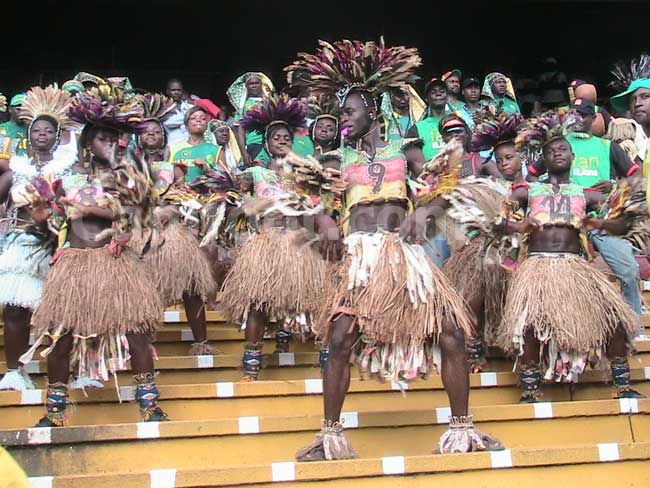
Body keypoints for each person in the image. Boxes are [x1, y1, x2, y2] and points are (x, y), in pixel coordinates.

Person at [287, 38, 502, 461]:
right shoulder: (335, 158)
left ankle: (463, 429)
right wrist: (324, 220)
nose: (343, 118)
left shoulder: (405, 148)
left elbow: (445, 184)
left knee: (451, 333)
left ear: (371, 109)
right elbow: (305, 200)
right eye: (341, 113)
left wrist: (426, 212)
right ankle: (329, 438)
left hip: (404, 256)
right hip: (359, 259)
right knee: (340, 338)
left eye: (349, 111)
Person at [26, 89, 167, 426]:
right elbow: (54, 227)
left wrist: (94, 211)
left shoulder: (125, 176)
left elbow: (138, 216)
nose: (110, 144)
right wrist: (42, 218)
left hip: (114, 263)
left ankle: (150, 406)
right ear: (88, 143)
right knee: (62, 337)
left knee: (135, 332)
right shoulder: (66, 178)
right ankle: (55, 412)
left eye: (114, 139)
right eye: (103, 138)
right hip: (74, 263)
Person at [497, 114, 642, 403]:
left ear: (573, 156)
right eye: (551, 151)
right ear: (543, 159)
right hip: (537, 267)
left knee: (614, 319)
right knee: (527, 324)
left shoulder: (586, 194)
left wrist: (600, 223)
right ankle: (530, 390)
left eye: (563, 149)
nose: (558, 154)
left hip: (575, 268)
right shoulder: (527, 191)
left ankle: (622, 385)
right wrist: (518, 226)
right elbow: (495, 222)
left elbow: (624, 224)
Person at [220, 95, 328, 381]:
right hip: (265, 244)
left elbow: (318, 207)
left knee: (311, 299)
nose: (282, 141)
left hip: (298, 244)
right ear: (266, 144)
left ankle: (324, 361)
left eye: (286, 138)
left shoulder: (304, 173)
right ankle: (251, 365)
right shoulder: (254, 173)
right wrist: (250, 206)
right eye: (276, 137)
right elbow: (234, 203)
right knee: (258, 303)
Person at [528, 101, 643, 315]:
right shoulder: (559, 144)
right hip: (564, 219)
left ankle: (634, 324)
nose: (578, 119)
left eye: (583, 115)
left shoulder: (607, 146)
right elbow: (532, 175)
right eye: (574, 114)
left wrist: (616, 186)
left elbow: (636, 175)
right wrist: (546, 190)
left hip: (599, 220)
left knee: (628, 270)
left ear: (593, 118)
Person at [0, 86, 76, 390]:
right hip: (21, 245)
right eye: (36, 130)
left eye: (48, 130)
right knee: (15, 308)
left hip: (58, 245)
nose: (42, 134)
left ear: (57, 137)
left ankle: (67, 374)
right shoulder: (16, 168)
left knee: (63, 313)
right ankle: (16, 372)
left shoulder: (68, 169)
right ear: (28, 135)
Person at [135, 93, 218, 356]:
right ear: (138, 137)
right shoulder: (128, 166)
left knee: (191, 285)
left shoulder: (174, 166)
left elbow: (186, 195)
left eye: (156, 131)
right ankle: (142, 341)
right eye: (146, 131)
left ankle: (201, 342)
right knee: (141, 285)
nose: (151, 135)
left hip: (173, 233)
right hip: (140, 232)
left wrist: (171, 208)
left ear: (164, 137)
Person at [227, 72, 274, 162]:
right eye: (251, 84)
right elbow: (239, 129)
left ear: (261, 84)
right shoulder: (242, 106)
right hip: (253, 143)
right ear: (246, 86)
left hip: (271, 143)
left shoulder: (270, 102)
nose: (254, 86)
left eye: (257, 83)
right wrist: (243, 152)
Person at [169, 106, 220, 182]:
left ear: (207, 125)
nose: (198, 120)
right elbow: (167, 177)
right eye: (193, 118)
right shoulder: (174, 149)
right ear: (186, 125)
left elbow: (226, 181)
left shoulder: (216, 150)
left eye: (203, 118)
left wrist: (207, 170)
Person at [406, 77, 448, 160]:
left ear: (447, 96)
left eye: (442, 91)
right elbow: (411, 159)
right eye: (433, 92)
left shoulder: (457, 122)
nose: (438, 94)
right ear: (426, 99)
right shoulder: (417, 128)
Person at [163, 78, 194, 146]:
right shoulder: (162, 108)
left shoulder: (190, 106)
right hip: (173, 145)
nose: (176, 92)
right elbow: (169, 123)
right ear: (168, 91)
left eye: (179, 90)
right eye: (173, 90)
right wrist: (189, 116)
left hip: (191, 144)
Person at [0, 94, 28, 159]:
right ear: (10, 109)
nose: (22, 112)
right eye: (18, 109)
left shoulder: (33, 130)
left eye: (25, 109)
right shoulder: (1, 129)